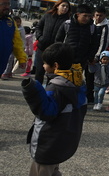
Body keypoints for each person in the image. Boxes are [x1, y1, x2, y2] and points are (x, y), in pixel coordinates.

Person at [21, 42, 87, 176]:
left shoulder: (56, 88)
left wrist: (31, 91)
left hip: (48, 144)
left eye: (45, 63)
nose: (43, 66)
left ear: (55, 66)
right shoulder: (78, 83)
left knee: (40, 171)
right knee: (53, 169)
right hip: (62, 141)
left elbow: (46, 113)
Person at [34, 0, 71, 84]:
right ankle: (37, 93)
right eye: (63, 6)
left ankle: (49, 92)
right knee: (39, 72)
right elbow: (39, 27)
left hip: (55, 52)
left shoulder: (68, 21)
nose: (65, 8)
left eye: (67, 7)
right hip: (42, 48)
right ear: (57, 6)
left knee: (52, 75)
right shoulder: (47, 15)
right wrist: (40, 37)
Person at [0, 0, 27, 80]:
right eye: (4, 4)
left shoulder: (10, 22)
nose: (7, 7)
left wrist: (21, 58)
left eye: (8, 4)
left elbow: (17, 42)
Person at [90, 6, 109, 100]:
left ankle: (94, 99)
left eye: (101, 15)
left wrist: (97, 57)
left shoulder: (106, 27)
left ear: (105, 16)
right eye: (97, 15)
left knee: (95, 78)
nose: (98, 18)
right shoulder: (91, 24)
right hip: (88, 54)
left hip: (97, 56)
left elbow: (104, 44)